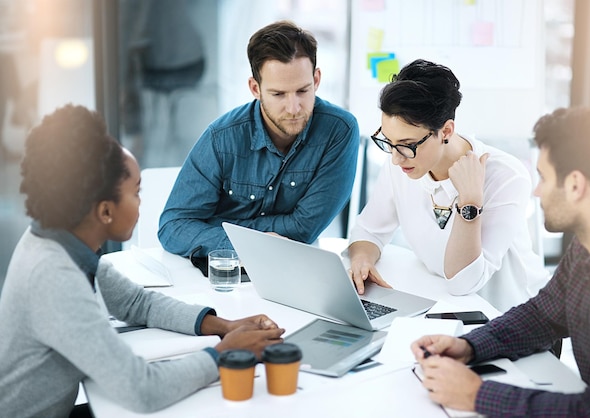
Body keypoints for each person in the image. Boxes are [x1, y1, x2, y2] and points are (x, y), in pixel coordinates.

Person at [0, 104, 285, 417]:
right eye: (136, 192)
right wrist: (224, 354)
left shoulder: (61, 242)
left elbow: (137, 303)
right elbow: (142, 389)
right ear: (105, 211)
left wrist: (224, 326)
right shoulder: (53, 276)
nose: (141, 203)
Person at [412, 107, 590, 416]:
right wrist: (470, 346)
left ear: (576, 185)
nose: (537, 191)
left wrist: (476, 394)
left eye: (543, 177)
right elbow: (544, 314)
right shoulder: (588, 244)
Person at [347, 59, 549, 312]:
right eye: (388, 142)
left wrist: (470, 201)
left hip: (509, 319)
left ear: (445, 131)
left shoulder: (506, 176)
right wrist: (362, 260)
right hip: (444, 308)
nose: (396, 158)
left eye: (407, 145)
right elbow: (369, 231)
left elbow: (464, 282)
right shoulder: (401, 163)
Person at [158, 20, 360, 273]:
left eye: (302, 91)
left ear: (316, 79)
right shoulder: (221, 138)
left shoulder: (339, 131)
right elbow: (173, 226)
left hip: (293, 271)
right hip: (220, 274)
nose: (294, 108)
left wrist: (221, 227)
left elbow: (304, 229)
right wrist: (243, 244)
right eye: (278, 94)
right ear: (255, 88)